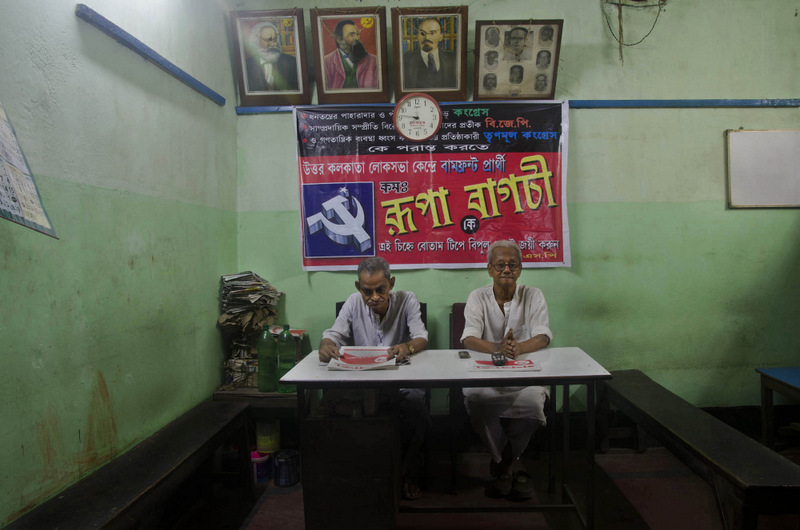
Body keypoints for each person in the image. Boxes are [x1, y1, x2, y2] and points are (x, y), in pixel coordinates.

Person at [318, 257, 429, 500]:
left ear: (391, 283)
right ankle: (352, 474)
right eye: (367, 291)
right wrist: (326, 344)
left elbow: (421, 337)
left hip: (401, 382)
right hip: (363, 383)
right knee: (325, 405)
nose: (375, 297)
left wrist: (407, 347)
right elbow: (334, 334)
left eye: (381, 289)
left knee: (416, 408)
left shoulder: (406, 299)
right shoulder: (353, 302)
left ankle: (407, 471)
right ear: (359, 287)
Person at [460, 240, 552, 500]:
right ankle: (506, 460)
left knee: (534, 404)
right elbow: (469, 338)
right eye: (500, 265)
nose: (506, 270)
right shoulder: (478, 296)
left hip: (526, 374)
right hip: (486, 374)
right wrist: (498, 348)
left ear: (520, 269)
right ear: (490, 269)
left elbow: (543, 336)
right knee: (478, 401)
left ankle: (505, 465)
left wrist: (519, 348)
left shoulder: (533, 295)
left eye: (513, 265)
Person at [402, 17, 457, 89]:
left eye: (432, 33)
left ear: (441, 36)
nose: (427, 37)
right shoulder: (406, 59)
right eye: (422, 33)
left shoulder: (453, 58)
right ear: (417, 36)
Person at [323, 19, 379, 90]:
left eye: (357, 34)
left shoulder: (374, 61)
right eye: (351, 35)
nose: (357, 38)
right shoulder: (326, 62)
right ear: (339, 39)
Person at [244, 21, 299, 92]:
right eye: (268, 40)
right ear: (256, 41)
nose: (273, 44)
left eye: (275, 39)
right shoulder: (247, 65)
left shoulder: (292, 62)